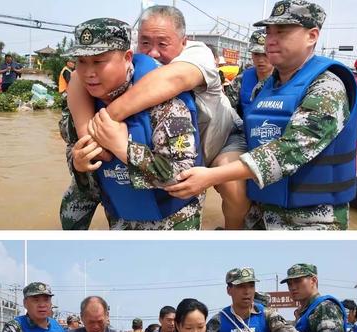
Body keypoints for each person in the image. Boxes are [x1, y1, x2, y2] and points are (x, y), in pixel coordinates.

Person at [165, 0, 357, 231]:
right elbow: (244, 131)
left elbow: (290, 150)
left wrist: (212, 176)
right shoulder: (264, 87)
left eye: (282, 32)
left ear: (312, 36)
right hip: (261, 213)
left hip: (311, 220)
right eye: (268, 32)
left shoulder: (327, 87)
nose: (271, 39)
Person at [64, 6, 249, 230]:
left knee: (233, 189)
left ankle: (233, 231)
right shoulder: (92, 85)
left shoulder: (195, 59)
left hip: (220, 139)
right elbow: (76, 78)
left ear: (183, 42)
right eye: (145, 43)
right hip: (135, 193)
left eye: (162, 44)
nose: (152, 52)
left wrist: (113, 135)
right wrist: (84, 153)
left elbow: (170, 80)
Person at [230, 30, 274, 119]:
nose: (260, 60)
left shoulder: (285, 80)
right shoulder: (240, 80)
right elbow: (229, 111)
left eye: (265, 54)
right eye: (256, 54)